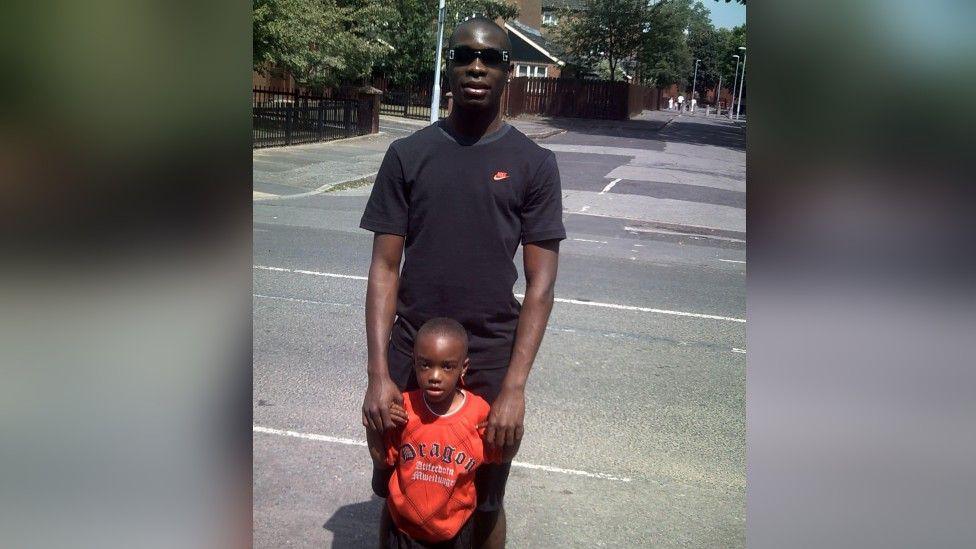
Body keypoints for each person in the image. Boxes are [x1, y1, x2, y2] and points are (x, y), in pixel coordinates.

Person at [359, 15, 565, 549]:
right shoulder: (408, 155)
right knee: (398, 491)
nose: (477, 67)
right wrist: (378, 373)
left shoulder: (534, 164)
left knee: (488, 498)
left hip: (493, 357)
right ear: (449, 68)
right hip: (413, 353)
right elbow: (384, 268)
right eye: (465, 56)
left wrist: (515, 388)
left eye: (491, 58)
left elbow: (540, 287)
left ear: (507, 74)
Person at [366, 318, 504, 548]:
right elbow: (382, 459)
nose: (435, 376)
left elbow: (499, 455)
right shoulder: (404, 409)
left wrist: (515, 434)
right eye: (425, 365)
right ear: (415, 363)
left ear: (464, 367)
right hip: (404, 532)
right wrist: (372, 425)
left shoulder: (479, 412)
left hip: (454, 533)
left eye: (447, 366)